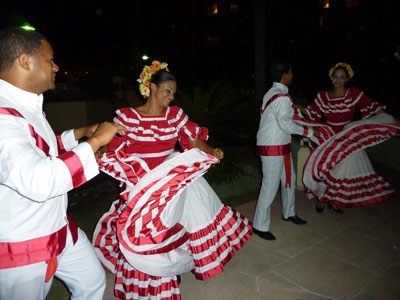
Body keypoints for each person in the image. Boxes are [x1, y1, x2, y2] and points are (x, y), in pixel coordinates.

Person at [92, 60, 252, 300]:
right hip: (142, 186)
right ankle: (150, 282)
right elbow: (111, 145)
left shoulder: (175, 116)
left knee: (173, 227)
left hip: (171, 184)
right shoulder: (130, 118)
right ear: (151, 87)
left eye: (174, 93)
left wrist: (211, 149)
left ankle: (170, 269)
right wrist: (97, 150)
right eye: (168, 90)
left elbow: (194, 140)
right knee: (148, 237)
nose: (171, 96)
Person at [0, 27, 127, 300]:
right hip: (23, 245)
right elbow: (39, 180)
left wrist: (82, 133)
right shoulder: (3, 119)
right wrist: (94, 144)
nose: (56, 67)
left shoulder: (25, 104)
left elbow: (41, 148)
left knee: (91, 282)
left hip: (57, 227)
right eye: (50, 60)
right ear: (25, 61)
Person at [298, 62, 399, 212]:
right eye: (335, 77)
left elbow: (372, 107)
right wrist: (295, 107)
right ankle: (321, 199)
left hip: (347, 136)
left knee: (341, 170)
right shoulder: (323, 96)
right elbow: (310, 111)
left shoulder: (354, 94)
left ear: (347, 79)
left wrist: (391, 119)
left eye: (342, 77)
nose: (338, 80)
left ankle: (333, 200)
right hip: (328, 135)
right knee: (325, 168)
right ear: (331, 78)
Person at [253, 60, 318, 241]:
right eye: (291, 72)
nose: (292, 75)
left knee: (289, 180)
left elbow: (279, 114)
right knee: (270, 185)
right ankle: (259, 225)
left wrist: (294, 107)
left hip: (280, 145)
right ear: (284, 76)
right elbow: (285, 124)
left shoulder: (274, 94)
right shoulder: (281, 97)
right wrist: (310, 132)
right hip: (273, 147)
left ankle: (289, 213)